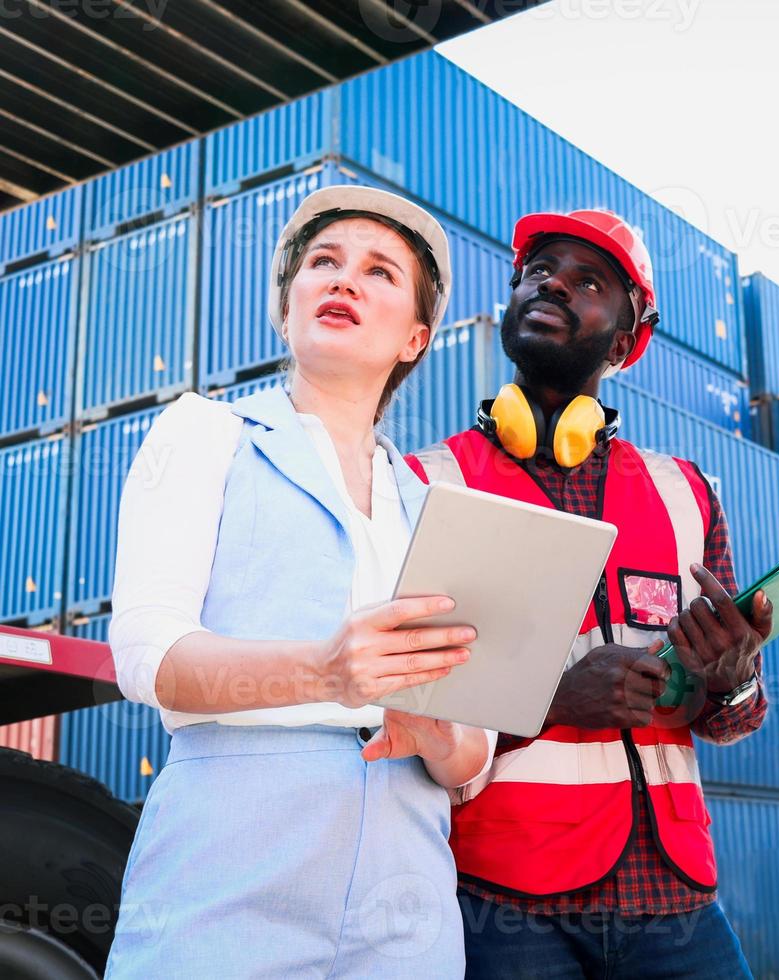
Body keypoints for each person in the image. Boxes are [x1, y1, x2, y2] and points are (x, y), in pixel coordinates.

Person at [105, 186, 492, 978]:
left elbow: (476, 756)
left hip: (407, 905)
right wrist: (323, 672)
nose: (345, 280)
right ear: (289, 310)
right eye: (324, 263)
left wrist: (443, 736)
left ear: (416, 338)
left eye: (380, 271)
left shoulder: (438, 512)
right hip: (226, 881)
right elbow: (147, 655)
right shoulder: (204, 434)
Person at [404, 209, 772, 979]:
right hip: (504, 905)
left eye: (589, 282)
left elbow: (731, 721)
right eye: (540, 273)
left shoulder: (686, 494)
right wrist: (549, 700)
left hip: (677, 898)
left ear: (626, 338)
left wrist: (732, 680)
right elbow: (395, 713)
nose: (555, 286)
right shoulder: (425, 486)